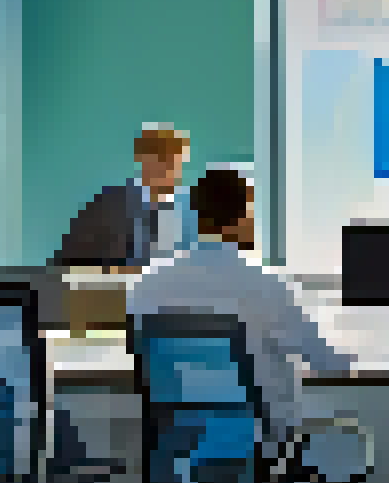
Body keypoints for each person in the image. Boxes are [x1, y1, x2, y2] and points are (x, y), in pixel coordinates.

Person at [128, 169, 353, 443]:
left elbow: (140, 356)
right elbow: (328, 363)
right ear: (245, 216)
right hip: (262, 449)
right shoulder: (268, 286)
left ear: (196, 214)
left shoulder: (146, 284)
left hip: (179, 448)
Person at [55, 125, 192, 271]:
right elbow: (66, 266)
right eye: (162, 158)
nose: (169, 168)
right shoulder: (108, 205)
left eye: (176, 161)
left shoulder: (184, 217)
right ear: (143, 159)